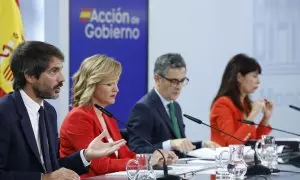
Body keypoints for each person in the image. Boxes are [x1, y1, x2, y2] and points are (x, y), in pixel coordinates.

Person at [0, 41, 126, 180]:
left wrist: (86, 155)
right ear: (30, 76)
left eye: (60, 70)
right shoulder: (4, 112)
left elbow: (54, 168)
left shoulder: (48, 112)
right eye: (53, 71)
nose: (62, 78)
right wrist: (43, 178)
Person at [59, 54, 178, 178]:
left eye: (116, 83)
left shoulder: (106, 116)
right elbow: (100, 166)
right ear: (92, 85)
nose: (116, 89)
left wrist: (154, 157)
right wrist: (145, 163)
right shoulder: (78, 118)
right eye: (109, 84)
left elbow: (126, 154)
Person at [127, 53, 219, 157]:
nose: (179, 86)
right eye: (174, 81)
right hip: (159, 172)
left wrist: (202, 144)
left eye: (182, 81)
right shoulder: (144, 108)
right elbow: (136, 150)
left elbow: (179, 147)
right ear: (157, 79)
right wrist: (170, 144)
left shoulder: (175, 107)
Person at [210, 53, 273, 147]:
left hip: (243, 160)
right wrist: (253, 115)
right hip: (224, 160)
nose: (258, 81)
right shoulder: (223, 104)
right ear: (239, 77)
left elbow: (253, 141)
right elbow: (232, 144)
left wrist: (266, 118)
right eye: (254, 76)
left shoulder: (245, 104)